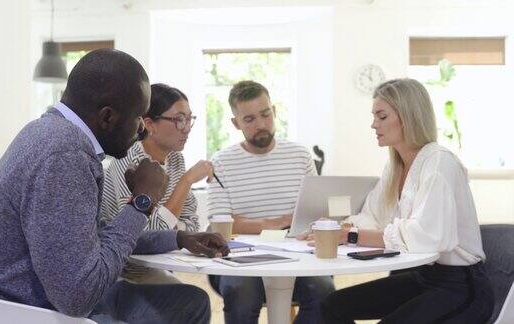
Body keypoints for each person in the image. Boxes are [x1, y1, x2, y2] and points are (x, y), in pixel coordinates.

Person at [0, 49, 228, 324]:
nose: (142, 131)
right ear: (107, 117)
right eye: (137, 118)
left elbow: (91, 238)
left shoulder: (51, 133)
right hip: (27, 311)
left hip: (37, 298)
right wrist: (142, 201)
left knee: (192, 302)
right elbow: (78, 298)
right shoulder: (64, 155)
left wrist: (178, 239)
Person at [315, 78, 494, 323]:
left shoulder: (439, 163)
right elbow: (373, 216)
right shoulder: (394, 167)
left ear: (407, 116)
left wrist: (352, 235)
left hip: (460, 287)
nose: (373, 124)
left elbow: (429, 237)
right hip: (424, 277)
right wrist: (338, 228)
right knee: (332, 305)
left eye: (382, 116)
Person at [207, 80, 335, 324]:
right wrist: (279, 222)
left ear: (274, 112)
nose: (261, 125)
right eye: (250, 119)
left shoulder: (300, 155)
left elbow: (314, 213)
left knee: (324, 291)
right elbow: (222, 225)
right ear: (236, 123)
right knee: (241, 294)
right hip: (241, 257)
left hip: (298, 254)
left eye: (265, 115)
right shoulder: (221, 162)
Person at [101, 83, 213, 284]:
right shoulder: (127, 161)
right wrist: (186, 182)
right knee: (191, 299)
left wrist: (170, 228)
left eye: (189, 119)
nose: (186, 128)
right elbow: (142, 235)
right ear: (150, 124)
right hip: (124, 272)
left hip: (161, 263)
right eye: (179, 120)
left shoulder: (176, 159)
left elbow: (191, 222)